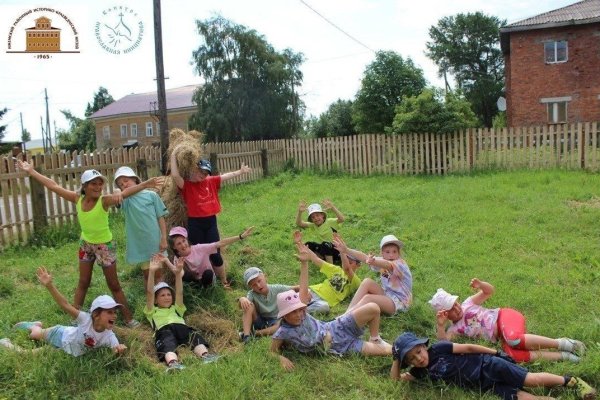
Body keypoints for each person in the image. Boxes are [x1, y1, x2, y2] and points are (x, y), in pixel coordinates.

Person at [17, 160, 163, 327]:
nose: (98, 187)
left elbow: (124, 194)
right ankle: (75, 317)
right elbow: (53, 186)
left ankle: (129, 319)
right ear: (84, 186)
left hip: (104, 247)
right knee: (83, 281)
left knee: (114, 284)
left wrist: (146, 184)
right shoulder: (77, 199)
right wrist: (31, 171)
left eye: (100, 184)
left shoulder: (104, 201)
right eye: (94, 184)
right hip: (85, 244)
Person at [270, 243, 391, 371]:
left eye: (300, 309)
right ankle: (387, 348)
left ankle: (375, 339)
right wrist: (281, 358)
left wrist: (304, 264)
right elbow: (271, 351)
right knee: (388, 351)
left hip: (337, 326)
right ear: (284, 315)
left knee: (373, 307)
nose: (299, 314)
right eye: (293, 312)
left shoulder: (303, 313)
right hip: (340, 346)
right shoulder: (282, 332)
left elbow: (304, 288)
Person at [390, 331, 597, 400]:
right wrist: (396, 359)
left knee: (531, 380)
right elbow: (395, 380)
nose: (418, 359)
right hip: (486, 386)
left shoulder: (440, 348)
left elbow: (469, 348)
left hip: (489, 365)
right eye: (410, 359)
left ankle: (571, 381)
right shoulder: (418, 372)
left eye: (418, 352)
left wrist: (496, 353)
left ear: (423, 346)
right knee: (525, 398)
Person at [429, 278, 585, 363]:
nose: (457, 309)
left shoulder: (468, 303)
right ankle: (564, 356)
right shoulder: (454, 330)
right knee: (512, 356)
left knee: (513, 339)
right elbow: (445, 344)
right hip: (501, 337)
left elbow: (489, 291)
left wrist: (481, 284)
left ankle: (565, 343)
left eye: (455, 304)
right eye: (451, 310)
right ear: (445, 315)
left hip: (505, 317)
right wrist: (440, 326)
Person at [0, 267, 127, 357]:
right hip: (60, 334)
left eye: (114, 312)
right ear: (96, 315)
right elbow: (65, 305)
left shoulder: (109, 336)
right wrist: (50, 285)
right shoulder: (85, 319)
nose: (114, 315)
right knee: (34, 335)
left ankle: (10, 342)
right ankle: (34, 326)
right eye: (109, 312)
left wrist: (119, 350)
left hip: (65, 350)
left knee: (30, 354)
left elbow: (115, 350)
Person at [170, 145, 251, 278]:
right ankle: (205, 279)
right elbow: (174, 175)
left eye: (206, 173)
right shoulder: (187, 185)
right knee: (198, 255)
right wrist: (173, 154)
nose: (203, 175)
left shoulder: (210, 181)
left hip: (211, 222)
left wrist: (240, 172)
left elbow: (225, 177)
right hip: (195, 223)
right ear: (194, 169)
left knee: (215, 255)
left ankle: (223, 282)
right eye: (201, 172)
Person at [145, 254, 218, 371]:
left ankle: (205, 356)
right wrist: (152, 272)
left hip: (181, 327)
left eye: (169, 294)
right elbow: (149, 292)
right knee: (167, 344)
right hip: (164, 330)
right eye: (162, 295)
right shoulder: (152, 311)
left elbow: (179, 292)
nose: (167, 297)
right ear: (155, 300)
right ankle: (173, 364)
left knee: (194, 336)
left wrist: (178, 274)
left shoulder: (176, 309)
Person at [114, 166, 169, 287]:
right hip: (141, 245)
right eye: (120, 184)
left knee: (159, 274)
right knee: (147, 275)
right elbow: (116, 198)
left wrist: (164, 238)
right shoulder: (125, 201)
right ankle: (150, 302)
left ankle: (162, 299)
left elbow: (161, 217)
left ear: (135, 179)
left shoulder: (151, 195)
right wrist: (117, 191)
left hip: (155, 242)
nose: (124, 185)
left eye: (126, 180)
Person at [334, 234, 412, 316]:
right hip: (388, 294)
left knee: (368, 298)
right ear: (382, 253)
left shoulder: (400, 264)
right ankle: (347, 314)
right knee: (367, 282)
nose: (391, 255)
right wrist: (346, 250)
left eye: (394, 251)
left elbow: (386, 265)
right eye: (387, 252)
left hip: (400, 302)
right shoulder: (383, 260)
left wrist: (373, 261)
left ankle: (345, 319)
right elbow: (364, 257)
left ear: (399, 253)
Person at [293, 230, 362, 314]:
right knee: (296, 296)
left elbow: (347, 269)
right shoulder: (336, 269)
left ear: (358, 265)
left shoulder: (356, 281)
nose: (347, 262)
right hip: (313, 292)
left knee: (324, 307)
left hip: (322, 302)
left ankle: (297, 312)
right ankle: (293, 307)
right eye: (346, 260)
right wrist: (300, 243)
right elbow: (316, 259)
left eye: (350, 262)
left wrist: (342, 251)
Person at [167, 226, 253, 289]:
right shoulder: (177, 258)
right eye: (179, 243)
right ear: (174, 247)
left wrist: (240, 236)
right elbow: (180, 274)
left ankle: (208, 290)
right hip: (195, 281)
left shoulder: (199, 248)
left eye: (183, 241)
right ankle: (196, 291)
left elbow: (220, 243)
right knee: (186, 276)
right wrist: (173, 265)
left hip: (207, 278)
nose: (183, 245)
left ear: (186, 240)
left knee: (208, 273)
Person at [238, 266, 296, 344]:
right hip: (259, 320)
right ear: (250, 287)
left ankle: (255, 333)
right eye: (254, 285)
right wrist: (242, 299)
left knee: (282, 324)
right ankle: (246, 336)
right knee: (248, 305)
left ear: (265, 277)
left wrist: (308, 290)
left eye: (259, 281)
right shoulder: (252, 294)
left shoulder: (276, 288)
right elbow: (241, 306)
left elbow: (294, 288)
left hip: (276, 321)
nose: (258, 286)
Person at [296, 200, 345, 264]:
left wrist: (333, 208)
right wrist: (300, 212)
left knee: (325, 244)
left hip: (336, 250)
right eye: (313, 217)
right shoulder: (313, 225)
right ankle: (320, 260)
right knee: (308, 244)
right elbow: (299, 223)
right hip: (324, 249)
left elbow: (342, 219)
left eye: (317, 215)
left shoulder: (329, 222)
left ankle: (330, 266)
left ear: (322, 215)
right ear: (311, 220)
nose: (316, 218)